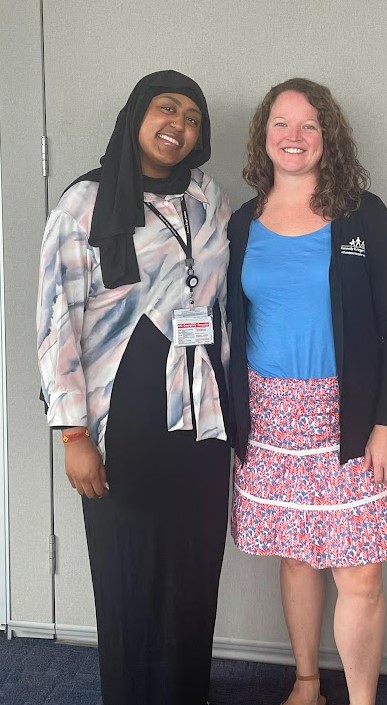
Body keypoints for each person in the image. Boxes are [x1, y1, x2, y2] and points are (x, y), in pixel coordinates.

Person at [37, 70, 231, 705]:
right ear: (136, 115)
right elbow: (56, 322)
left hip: (200, 415)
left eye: (194, 117)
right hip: (122, 420)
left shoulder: (208, 197)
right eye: (166, 107)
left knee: (195, 574)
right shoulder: (83, 206)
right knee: (129, 579)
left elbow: (224, 302)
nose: (179, 123)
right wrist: (72, 433)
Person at [227, 78, 387, 705]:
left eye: (309, 125)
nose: (294, 137)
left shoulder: (361, 216)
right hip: (271, 417)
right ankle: (306, 683)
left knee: (359, 572)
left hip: (351, 417)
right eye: (281, 124)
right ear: (264, 137)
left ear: (327, 136)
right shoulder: (241, 224)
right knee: (296, 555)